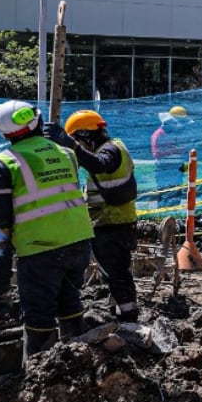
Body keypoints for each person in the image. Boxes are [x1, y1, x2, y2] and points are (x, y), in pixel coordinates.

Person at [0, 100, 97, 357]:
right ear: (38, 122)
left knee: (38, 312)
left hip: (40, 247)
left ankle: (37, 367)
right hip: (78, 239)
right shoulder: (66, 153)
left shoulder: (3, 163)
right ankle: (77, 353)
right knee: (69, 299)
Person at [60, 109, 141, 324]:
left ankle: (129, 319)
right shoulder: (114, 147)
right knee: (115, 273)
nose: (80, 145)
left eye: (78, 139)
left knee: (117, 274)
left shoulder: (110, 150)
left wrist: (73, 147)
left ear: (85, 135)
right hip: (116, 221)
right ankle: (120, 313)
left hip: (111, 223)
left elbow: (99, 164)